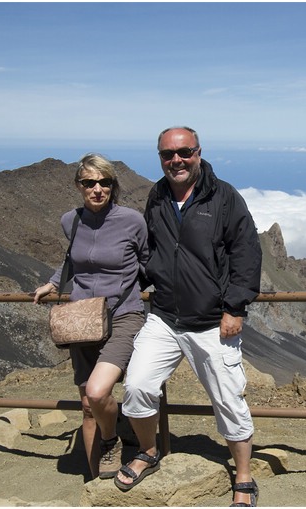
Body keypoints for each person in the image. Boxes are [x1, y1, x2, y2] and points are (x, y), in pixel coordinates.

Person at [115, 126, 262, 506]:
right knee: (137, 387)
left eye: (184, 153)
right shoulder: (158, 195)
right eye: (167, 155)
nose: (176, 161)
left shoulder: (224, 197)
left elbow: (246, 253)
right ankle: (148, 451)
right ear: (160, 157)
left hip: (213, 321)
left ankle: (243, 476)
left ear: (198, 152)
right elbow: (152, 250)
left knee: (229, 398)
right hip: (164, 316)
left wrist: (235, 307)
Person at [33, 153, 148, 481]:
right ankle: (95, 481)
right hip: (82, 320)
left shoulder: (131, 221)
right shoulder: (71, 220)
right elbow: (74, 261)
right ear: (78, 186)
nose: (97, 189)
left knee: (97, 393)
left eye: (104, 182)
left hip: (123, 314)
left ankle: (111, 438)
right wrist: (54, 283)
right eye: (89, 183)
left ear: (113, 185)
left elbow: (146, 260)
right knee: (87, 404)